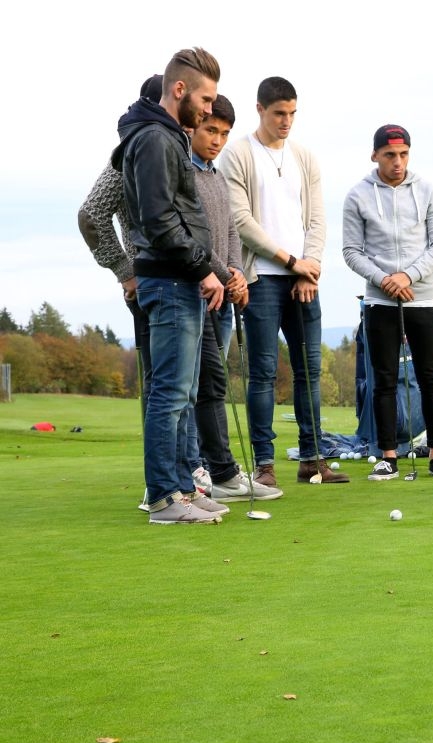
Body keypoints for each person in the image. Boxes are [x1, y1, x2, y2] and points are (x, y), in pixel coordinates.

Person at [112, 47, 229, 525]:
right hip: (172, 279)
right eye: (204, 99)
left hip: (178, 278)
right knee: (170, 393)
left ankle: (182, 486)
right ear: (179, 90)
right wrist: (203, 269)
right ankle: (163, 498)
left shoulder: (165, 137)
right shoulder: (157, 141)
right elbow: (162, 221)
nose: (207, 109)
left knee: (182, 393)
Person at [220, 76, 348, 487]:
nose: (286, 121)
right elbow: (240, 222)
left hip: (302, 279)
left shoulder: (304, 157)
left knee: (309, 370)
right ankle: (264, 464)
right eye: (279, 113)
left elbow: (317, 218)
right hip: (260, 280)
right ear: (260, 109)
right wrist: (292, 262)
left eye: (292, 114)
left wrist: (309, 264)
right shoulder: (238, 155)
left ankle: (312, 458)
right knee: (261, 372)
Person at [342, 123, 433, 481]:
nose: (398, 162)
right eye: (390, 155)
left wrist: (408, 276)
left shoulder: (427, 191)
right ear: (375, 155)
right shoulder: (357, 195)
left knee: (429, 377)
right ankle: (387, 455)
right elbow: (351, 251)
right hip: (379, 301)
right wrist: (385, 280)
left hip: (423, 299)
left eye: (404, 154)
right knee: (385, 379)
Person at [187, 93, 280, 505]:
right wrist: (228, 274)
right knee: (195, 385)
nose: (217, 141)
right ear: (193, 126)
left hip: (223, 292)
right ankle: (202, 472)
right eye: (211, 131)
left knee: (214, 381)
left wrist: (236, 273)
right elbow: (194, 237)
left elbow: (226, 233)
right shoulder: (184, 175)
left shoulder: (216, 176)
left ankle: (220, 470)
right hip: (193, 289)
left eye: (224, 133)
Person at [78, 74, 162, 510]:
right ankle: (161, 483)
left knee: (188, 386)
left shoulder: (183, 149)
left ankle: (191, 472)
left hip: (189, 282)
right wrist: (124, 270)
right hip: (149, 283)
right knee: (161, 388)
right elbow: (91, 215)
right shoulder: (128, 157)